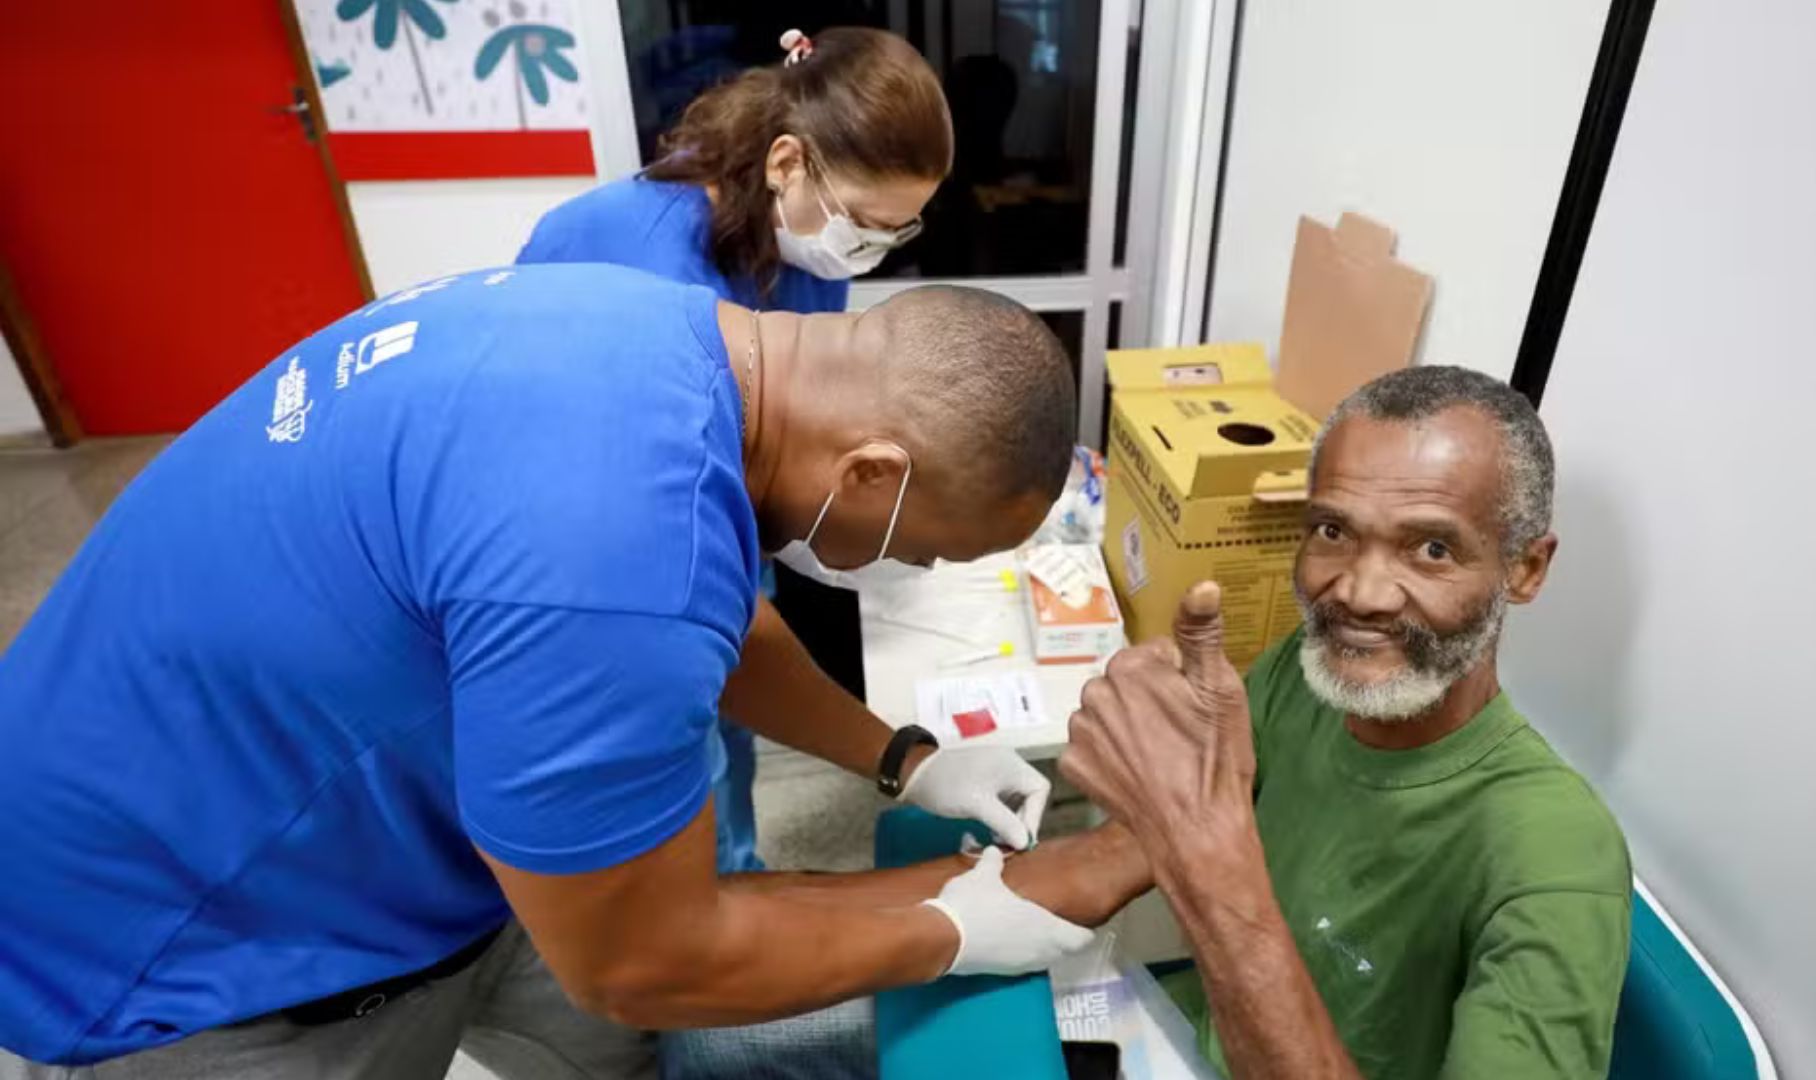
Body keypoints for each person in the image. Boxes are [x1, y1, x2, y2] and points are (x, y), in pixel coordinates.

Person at [0, 264, 1135, 1077]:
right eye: (929, 548)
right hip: (186, 926)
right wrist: (949, 931)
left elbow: (717, 626)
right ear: (876, 472)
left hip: (355, 800)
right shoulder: (612, 546)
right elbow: (643, 961)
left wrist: (902, 757)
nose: (914, 567)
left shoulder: (666, 340)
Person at [1062, 366, 1633, 1078]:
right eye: (1333, 531)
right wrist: (958, 908)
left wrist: (1207, 868)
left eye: (1431, 549)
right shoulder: (1306, 683)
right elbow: (1119, 857)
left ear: (1524, 570)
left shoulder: (1556, 855)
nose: (1360, 594)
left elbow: (1199, 855)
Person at [519, 25, 951, 878]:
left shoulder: (804, 239)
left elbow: (794, 398)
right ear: (786, 162)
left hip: (698, 497)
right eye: (865, 224)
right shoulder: (652, 273)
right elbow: (660, 518)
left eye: (896, 233)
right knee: (675, 738)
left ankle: (735, 868)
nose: (866, 248)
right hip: (594, 529)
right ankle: (696, 910)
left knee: (736, 718)